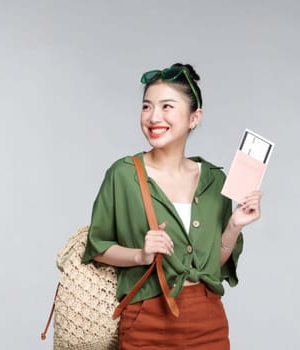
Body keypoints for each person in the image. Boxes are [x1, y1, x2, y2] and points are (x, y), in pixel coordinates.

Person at [81, 63, 263, 349]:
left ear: (194, 117)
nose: (154, 117)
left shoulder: (215, 180)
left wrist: (233, 226)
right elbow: (98, 247)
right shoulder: (123, 174)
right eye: (146, 106)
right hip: (147, 322)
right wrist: (141, 254)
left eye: (167, 106)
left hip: (208, 321)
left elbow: (213, 265)